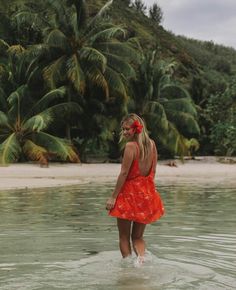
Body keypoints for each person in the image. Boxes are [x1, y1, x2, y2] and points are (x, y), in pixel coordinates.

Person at [106, 113, 164, 264]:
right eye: (123, 129)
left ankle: (127, 266)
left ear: (136, 129)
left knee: (124, 236)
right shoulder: (152, 144)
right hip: (146, 194)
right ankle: (141, 260)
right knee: (138, 237)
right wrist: (148, 193)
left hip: (129, 195)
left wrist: (113, 197)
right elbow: (154, 171)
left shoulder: (131, 147)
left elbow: (124, 173)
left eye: (127, 129)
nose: (124, 132)